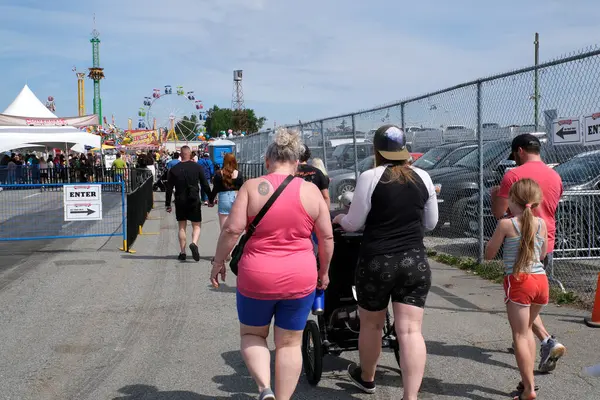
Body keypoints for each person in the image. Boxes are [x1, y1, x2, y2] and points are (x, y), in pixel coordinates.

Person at [209, 128, 334, 400]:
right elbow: (326, 237)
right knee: (289, 343)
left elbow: (231, 231)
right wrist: (323, 272)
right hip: (300, 275)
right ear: (298, 162)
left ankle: (265, 388)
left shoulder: (252, 188)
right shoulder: (311, 191)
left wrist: (219, 262)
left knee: (253, 335)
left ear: (268, 160)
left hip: (257, 275)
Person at [331, 124, 438, 400]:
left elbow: (354, 223)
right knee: (411, 330)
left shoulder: (371, 176)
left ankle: (367, 378)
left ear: (376, 150)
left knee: (371, 325)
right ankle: (410, 396)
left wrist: (340, 218)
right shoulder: (423, 177)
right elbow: (431, 223)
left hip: (377, 261)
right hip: (414, 261)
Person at [491, 133, 566, 373]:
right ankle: (534, 340)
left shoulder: (513, 175)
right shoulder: (555, 175)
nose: (514, 160)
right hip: (544, 240)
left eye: (514, 156)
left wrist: (495, 197)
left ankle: (545, 340)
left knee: (520, 295)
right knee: (531, 293)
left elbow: (500, 213)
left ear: (520, 151)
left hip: (518, 241)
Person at [485, 178, 549, 400]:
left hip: (520, 281)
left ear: (512, 200)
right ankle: (526, 381)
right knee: (528, 330)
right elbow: (542, 255)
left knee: (520, 336)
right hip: (541, 281)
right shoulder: (541, 224)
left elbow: (488, 254)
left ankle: (529, 390)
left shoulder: (506, 224)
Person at [165, 146, 213, 262]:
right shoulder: (197, 167)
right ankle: (194, 243)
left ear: (180, 155)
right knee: (196, 225)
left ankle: (182, 252)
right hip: (194, 199)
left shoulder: (174, 170)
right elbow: (205, 184)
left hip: (180, 200)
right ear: (190, 154)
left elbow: (169, 188)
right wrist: (210, 199)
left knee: (182, 227)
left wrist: (168, 204)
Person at [209, 153, 244, 230]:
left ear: (224, 161)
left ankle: (224, 241)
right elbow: (242, 189)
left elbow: (215, 189)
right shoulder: (239, 173)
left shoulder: (219, 174)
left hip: (224, 198)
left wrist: (211, 201)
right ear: (234, 161)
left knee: (224, 227)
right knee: (235, 227)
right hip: (236, 197)